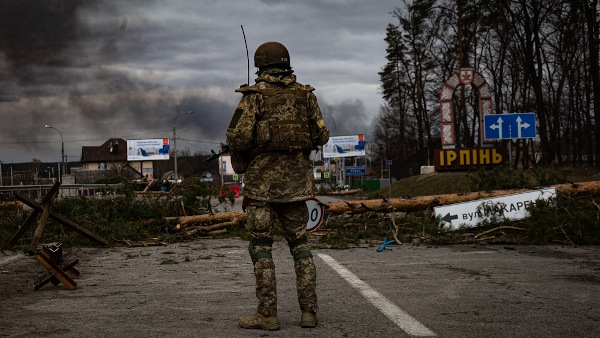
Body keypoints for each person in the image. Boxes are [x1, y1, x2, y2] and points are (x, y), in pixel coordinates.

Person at [226, 41, 329, 331]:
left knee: (261, 247)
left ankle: (267, 314)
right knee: (300, 246)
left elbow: (237, 138)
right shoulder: (306, 96)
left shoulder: (254, 96)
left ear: (260, 65)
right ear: (286, 64)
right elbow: (321, 135)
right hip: (297, 186)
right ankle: (309, 312)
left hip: (261, 188)